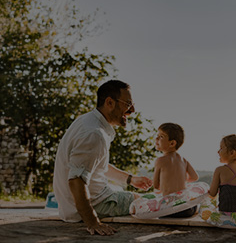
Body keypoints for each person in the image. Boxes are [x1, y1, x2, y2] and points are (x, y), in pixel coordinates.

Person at [53, 80, 153, 236]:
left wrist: (131, 179)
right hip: (91, 206)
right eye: (128, 104)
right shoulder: (95, 134)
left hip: (76, 204)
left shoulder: (87, 121)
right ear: (110, 102)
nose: (132, 110)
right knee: (145, 202)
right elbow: (76, 180)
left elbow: (98, 165)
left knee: (121, 190)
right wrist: (93, 222)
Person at [153, 122, 199, 217]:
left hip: (170, 210)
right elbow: (195, 177)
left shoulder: (160, 161)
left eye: (161, 136)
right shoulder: (183, 160)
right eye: (157, 135)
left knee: (156, 206)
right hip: (188, 209)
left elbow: (156, 185)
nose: (156, 138)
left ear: (172, 143)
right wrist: (180, 179)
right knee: (195, 201)